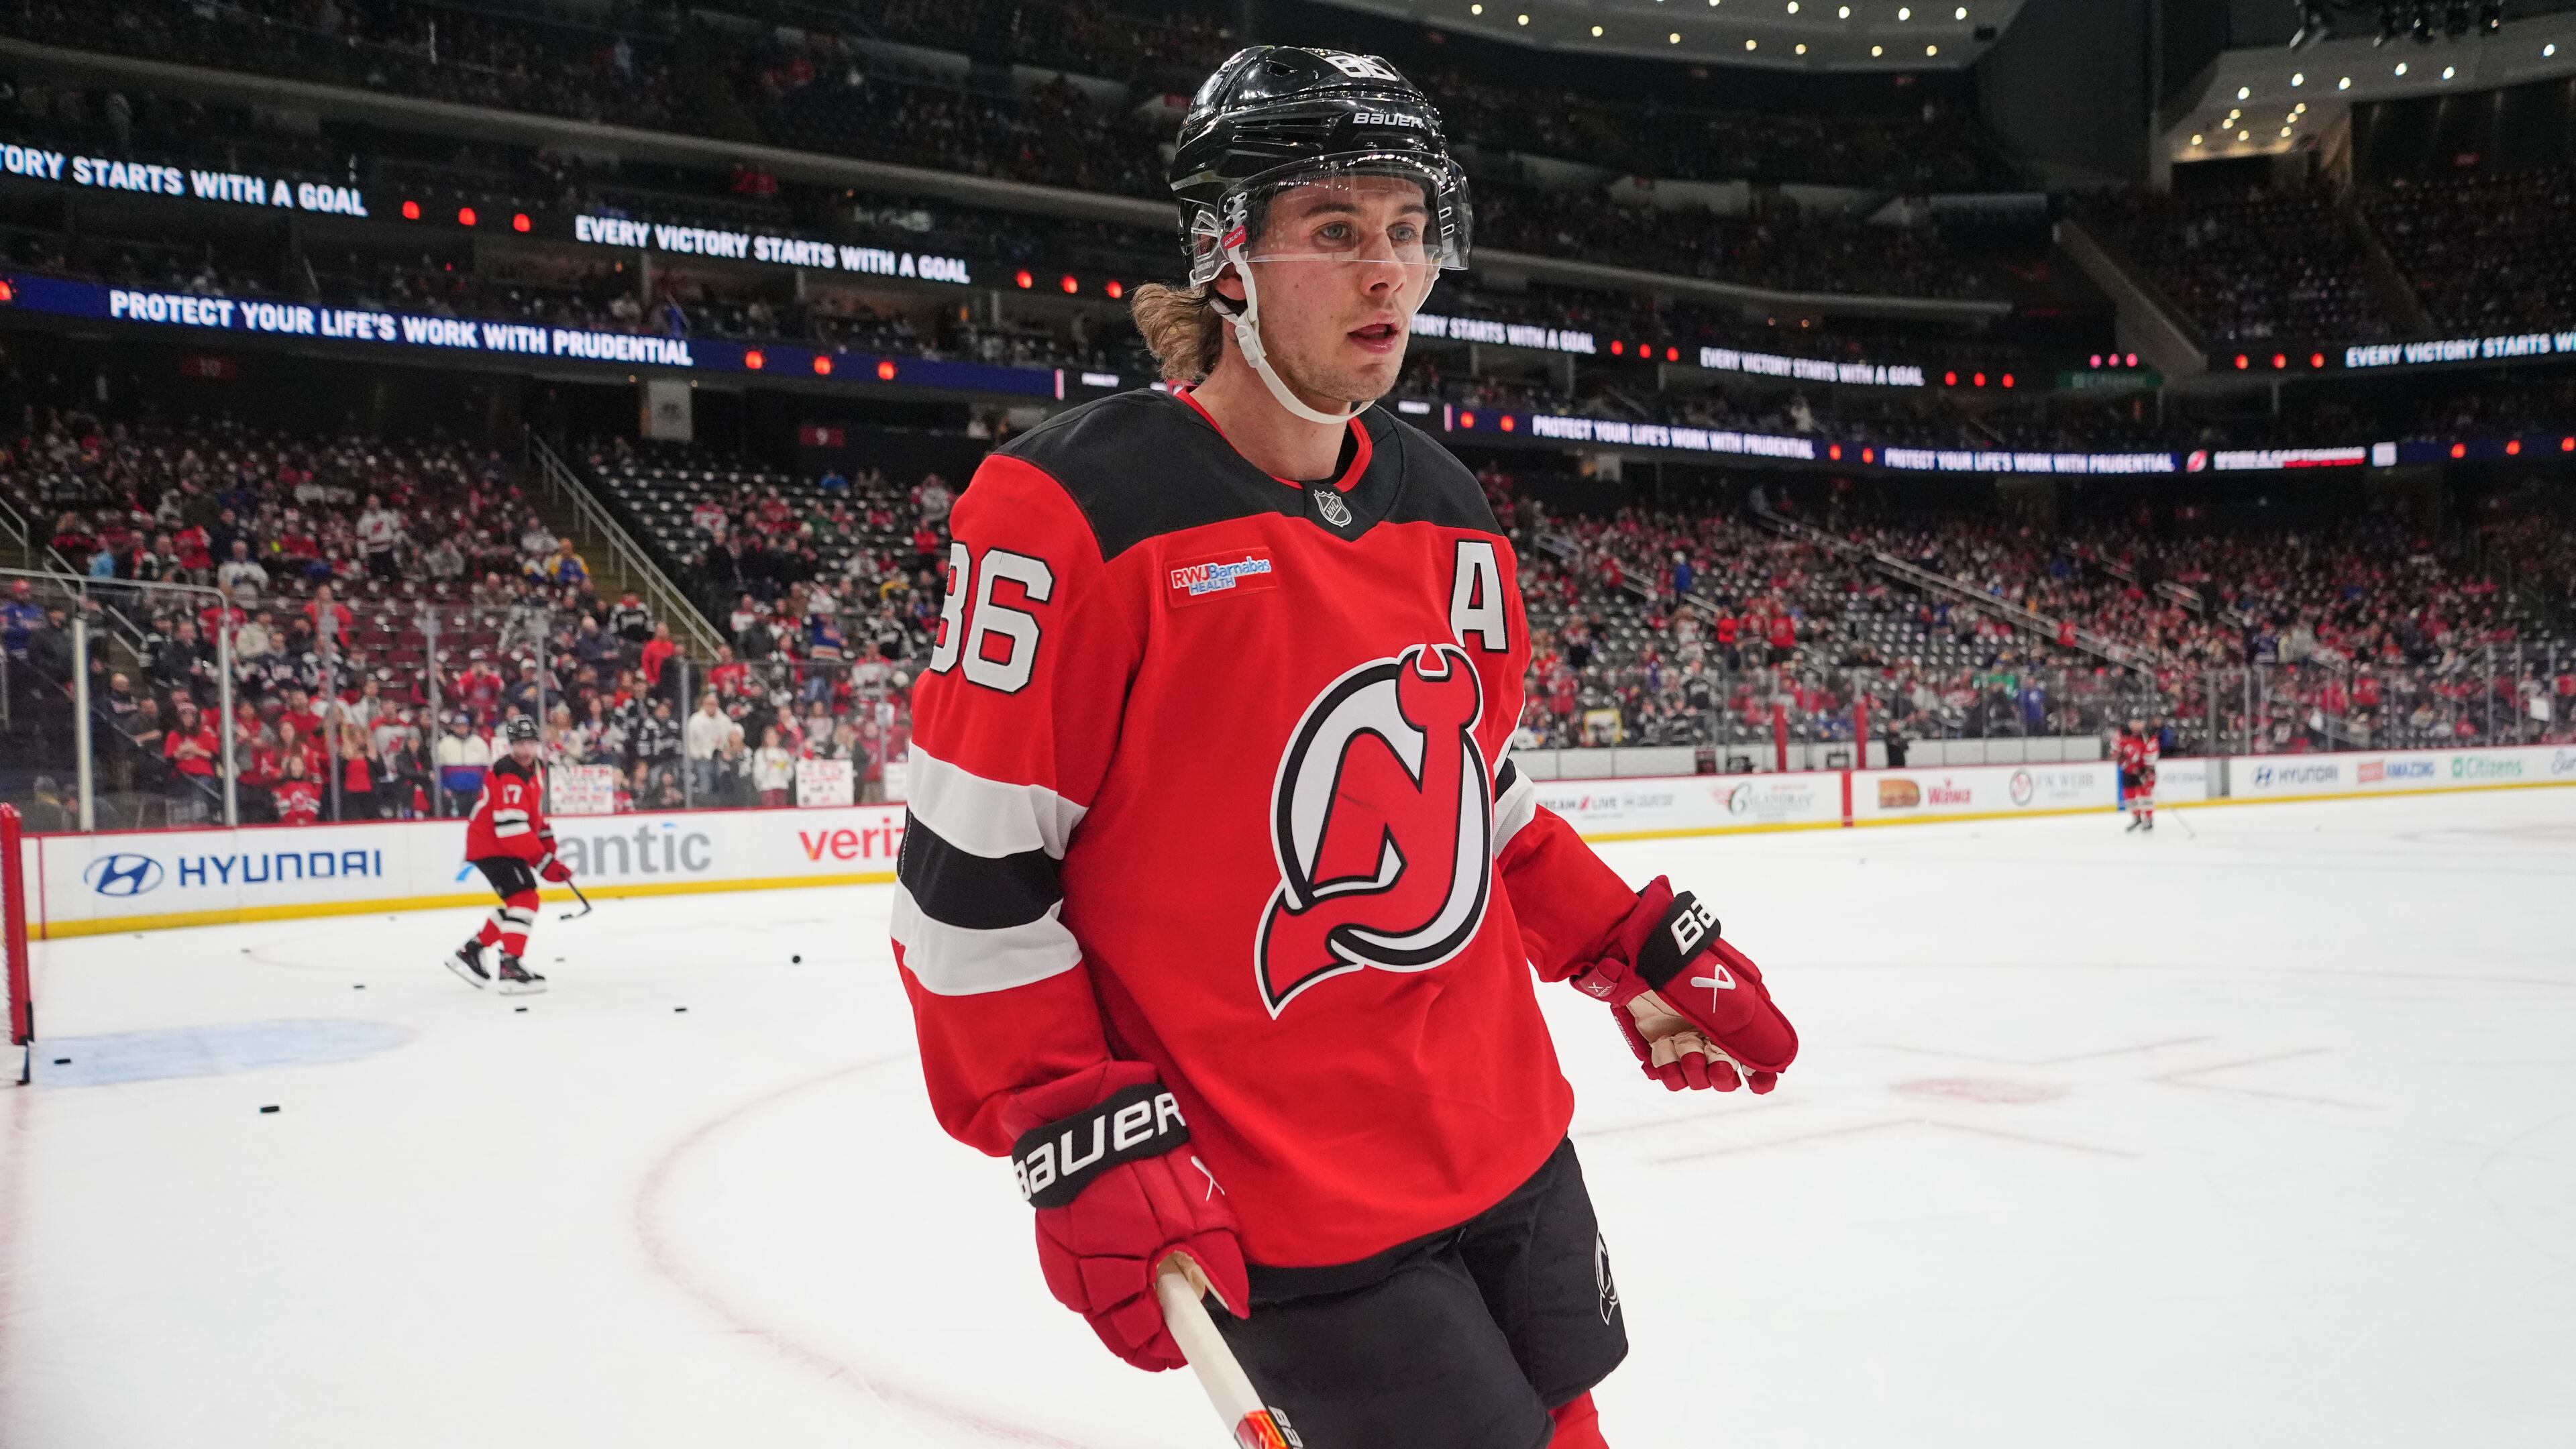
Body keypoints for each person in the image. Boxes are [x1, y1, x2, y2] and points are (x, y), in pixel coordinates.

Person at [887, 48, 1799, 1449]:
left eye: (1408, 232)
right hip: (1289, 1207)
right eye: (1335, 232)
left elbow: (1472, 806)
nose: (1388, 275)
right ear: (1225, 258)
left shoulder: (1448, 507)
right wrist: (1077, 1129)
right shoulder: (1074, 510)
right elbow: (974, 887)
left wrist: (1631, 943)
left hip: (1506, 1146)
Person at [448, 716, 568, 995]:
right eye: (519, 745)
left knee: (519, 901)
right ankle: (510, 966)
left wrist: (546, 839)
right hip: (491, 845)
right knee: (525, 897)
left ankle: (472, 951)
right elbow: (511, 829)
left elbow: (532, 814)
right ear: (510, 745)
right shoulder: (509, 772)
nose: (525, 751)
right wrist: (543, 860)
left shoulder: (536, 767)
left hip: (500, 844)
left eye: (530, 744)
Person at [2116, 714, 2160, 833]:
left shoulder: (2148, 736)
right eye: (2133, 722)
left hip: (2145, 771)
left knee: (2145, 795)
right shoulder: (2124, 734)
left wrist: (2146, 771)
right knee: (2129, 796)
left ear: (2144, 723)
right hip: (2129, 771)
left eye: (2139, 722)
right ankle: (2137, 818)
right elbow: (2116, 752)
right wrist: (2125, 762)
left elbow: (2152, 755)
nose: (2136, 725)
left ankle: (2149, 819)